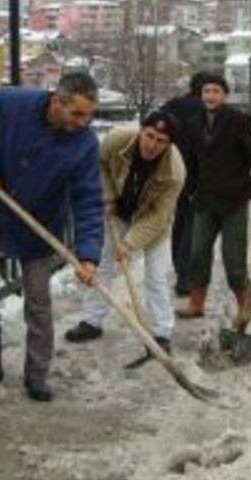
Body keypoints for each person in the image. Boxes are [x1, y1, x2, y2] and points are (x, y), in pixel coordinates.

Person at [0, 72, 104, 402]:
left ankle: (37, 375)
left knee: (39, 303)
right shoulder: (11, 102)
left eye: (89, 115)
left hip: (40, 226)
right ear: (57, 100)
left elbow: (88, 200)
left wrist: (88, 255)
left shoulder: (84, 144)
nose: (84, 122)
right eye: (77, 114)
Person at [64, 111, 185, 356]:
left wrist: (130, 243)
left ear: (169, 144)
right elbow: (99, 164)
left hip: (152, 222)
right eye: (149, 135)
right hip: (118, 211)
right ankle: (92, 321)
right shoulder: (117, 139)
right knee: (103, 265)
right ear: (141, 130)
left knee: (157, 277)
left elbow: (158, 217)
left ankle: (161, 334)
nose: (152, 145)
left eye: (161, 141)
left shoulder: (174, 172)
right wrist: (108, 195)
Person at [175, 73, 251, 319]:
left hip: (233, 202)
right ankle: (196, 304)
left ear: (224, 95)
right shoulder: (194, 123)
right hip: (204, 201)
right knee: (197, 254)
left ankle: (245, 305)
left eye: (216, 91)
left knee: (233, 260)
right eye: (206, 91)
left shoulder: (240, 121)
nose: (211, 96)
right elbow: (191, 163)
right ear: (200, 95)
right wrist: (189, 191)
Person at [160, 72, 208, 297]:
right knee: (191, 224)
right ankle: (184, 276)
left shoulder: (173, 105)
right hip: (195, 175)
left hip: (171, 171)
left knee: (179, 221)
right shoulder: (205, 111)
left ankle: (179, 267)